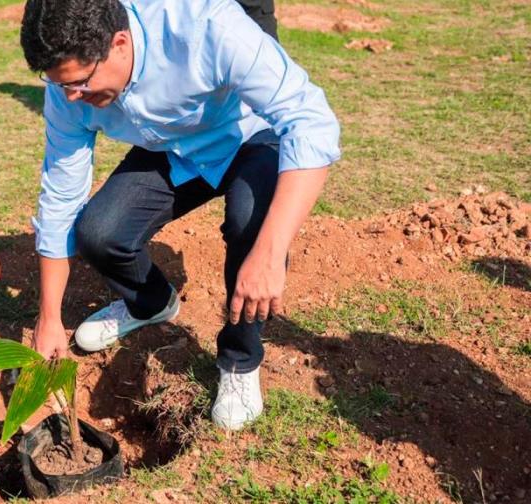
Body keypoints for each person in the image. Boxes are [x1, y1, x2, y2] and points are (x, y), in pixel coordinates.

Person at [20, 0, 341, 430]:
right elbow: (61, 195)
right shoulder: (67, 91)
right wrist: (50, 317)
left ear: (119, 43)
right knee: (99, 232)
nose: (73, 97)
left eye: (81, 84)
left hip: (249, 134)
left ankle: (240, 362)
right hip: (176, 151)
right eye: (61, 86)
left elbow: (311, 121)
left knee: (251, 223)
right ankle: (151, 303)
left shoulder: (207, 25)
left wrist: (270, 252)